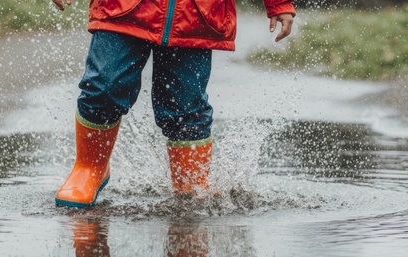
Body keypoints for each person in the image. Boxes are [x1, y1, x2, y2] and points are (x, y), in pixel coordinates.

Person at [52, 0, 295, 208]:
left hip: (197, 14)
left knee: (186, 109)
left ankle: (191, 187)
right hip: (123, 9)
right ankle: (90, 168)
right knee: (103, 87)